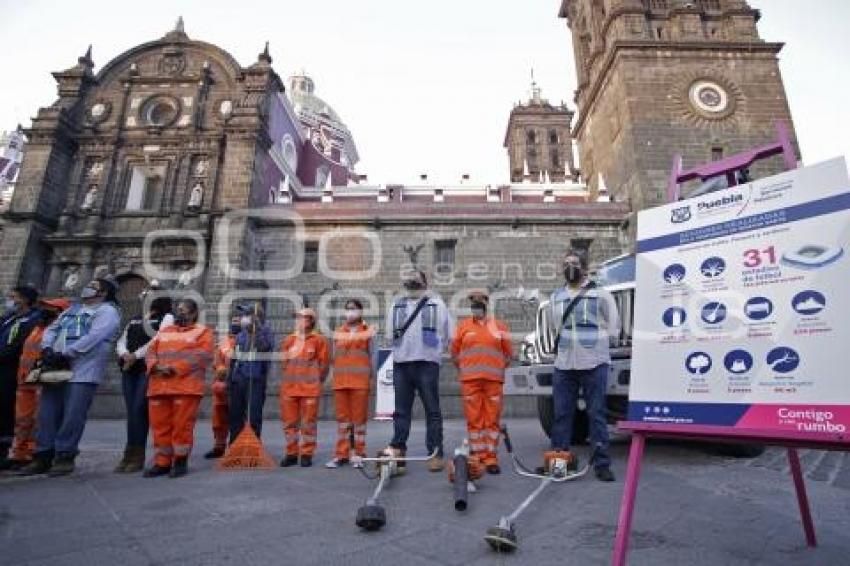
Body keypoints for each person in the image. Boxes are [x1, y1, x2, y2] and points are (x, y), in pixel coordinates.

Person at [20, 279, 121, 477]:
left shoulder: (108, 311)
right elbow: (52, 328)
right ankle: (43, 454)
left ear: (103, 292)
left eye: (93, 285)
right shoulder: (73, 309)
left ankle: (65, 455)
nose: (88, 287)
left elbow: (95, 336)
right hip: (55, 364)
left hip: (83, 369)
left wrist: (68, 352)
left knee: (73, 415)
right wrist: (48, 347)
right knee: (47, 412)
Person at [548, 250, 621, 482]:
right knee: (561, 415)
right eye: (566, 263)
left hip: (593, 362)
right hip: (564, 364)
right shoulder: (556, 297)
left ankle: (602, 464)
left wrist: (597, 345)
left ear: (584, 267)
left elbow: (614, 327)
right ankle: (558, 464)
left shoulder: (600, 294)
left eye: (575, 263)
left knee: (596, 414)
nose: (570, 267)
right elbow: (554, 326)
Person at [385, 269, 453, 473]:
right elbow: (389, 335)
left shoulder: (437, 305)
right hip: (401, 363)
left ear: (425, 283)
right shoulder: (396, 305)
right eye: (410, 280)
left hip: (426, 363)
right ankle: (398, 453)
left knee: (432, 410)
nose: (412, 283)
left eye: (416, 279)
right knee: (401, 412)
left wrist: (434, 351)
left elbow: (449, 334)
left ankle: (435, 453)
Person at [143, 298, 214, 478]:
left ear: (193, 314)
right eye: (177, 309)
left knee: (181, 427)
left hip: (185, 388)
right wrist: (154, 366)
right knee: (159, 427)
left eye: (183, 310)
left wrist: (175, 368)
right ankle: (162, 462)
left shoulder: (202, 332)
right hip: (159, 386)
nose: (179, 313)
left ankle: (180, 461)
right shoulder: (165, 330)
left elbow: (202, 356)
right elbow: (151, 351)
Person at [450, 289, 512, 474]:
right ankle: (477, 456)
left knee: (492, 420)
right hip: (470, 381)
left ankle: (491, 458)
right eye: (473, 303)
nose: (476, 306)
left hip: (493, 381)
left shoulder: (500, 327)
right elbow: (454, 353)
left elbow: (509, 354)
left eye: (479, 302)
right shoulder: (462, 327)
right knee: (474, 420)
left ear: (486, 303)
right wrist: (466, 369)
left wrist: (497, 369)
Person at [5, 298, 70, 471]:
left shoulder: (60, 329)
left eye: (50, 308)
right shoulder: (37, 327)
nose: (45, 310)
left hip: (43, 380)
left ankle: (34, 453)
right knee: (22, 420)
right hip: (25, 380)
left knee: (38, 420)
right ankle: (18, 454)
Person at [114, 289, 173, 473]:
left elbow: (159, 339)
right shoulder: (136, 318)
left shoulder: (167, 317)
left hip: (148, 368)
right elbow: (122, 339)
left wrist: (136, 355)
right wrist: (124, 353)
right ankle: (130, 452)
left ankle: (138, 455)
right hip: (129, 367)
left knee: (139, 409)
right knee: (132, 411)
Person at [326, 299, 375, 469]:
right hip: (340, 383)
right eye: (347, 309)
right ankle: (342, 454)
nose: (350, 312)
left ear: (360, 312)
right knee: (342, 421)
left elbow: (373, 356)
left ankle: (359, 454)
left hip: (360, 383)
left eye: (353, 309)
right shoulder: (338, 332)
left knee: (359, 421)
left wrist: (372, 378)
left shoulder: (368, 332)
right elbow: (333, 357)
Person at [279, 308, 329, 468]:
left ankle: (307, 453)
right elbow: (284, 363)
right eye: (298, 318)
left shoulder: (319, 340)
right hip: (290, 389)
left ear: (311, 321)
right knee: (289, 423)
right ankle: (291, 453)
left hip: (309, 390)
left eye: (304, 318)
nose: (300, 321)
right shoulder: (289, 340)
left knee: (308, 423)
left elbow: (324, 365)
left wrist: (315, 381)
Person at [0, 286, 42, 469]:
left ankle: (9, 450)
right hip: (5, 368)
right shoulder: (9, 318)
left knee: (9, 412)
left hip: (13, 370)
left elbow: (17, 345)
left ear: (24, 299)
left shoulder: (32, 319)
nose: (11, 300)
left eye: (14, 297)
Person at [227, 304, 273, 443]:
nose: (243, 318)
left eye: (246, 315)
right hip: (238, 378)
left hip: (255, 379)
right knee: (235, 415)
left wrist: (256, 330)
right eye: (243, 315)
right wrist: (230, 379)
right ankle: (235, 446)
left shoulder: (265, 332)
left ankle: (253, 446)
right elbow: (234, 358)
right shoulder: (240, 334)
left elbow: (264, 347)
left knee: (253, 415)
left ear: (255, 317)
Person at [204, 312, 240, 459]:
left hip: (237, 386)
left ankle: (234, 446)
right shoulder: (223, 343)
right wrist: (220, 369)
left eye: (238, 320)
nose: (235, 323)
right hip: (221, 386)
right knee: (219, 418)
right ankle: (219, 446)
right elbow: (217, 361)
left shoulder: (245, 341)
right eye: (234, 320)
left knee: (237, 417)